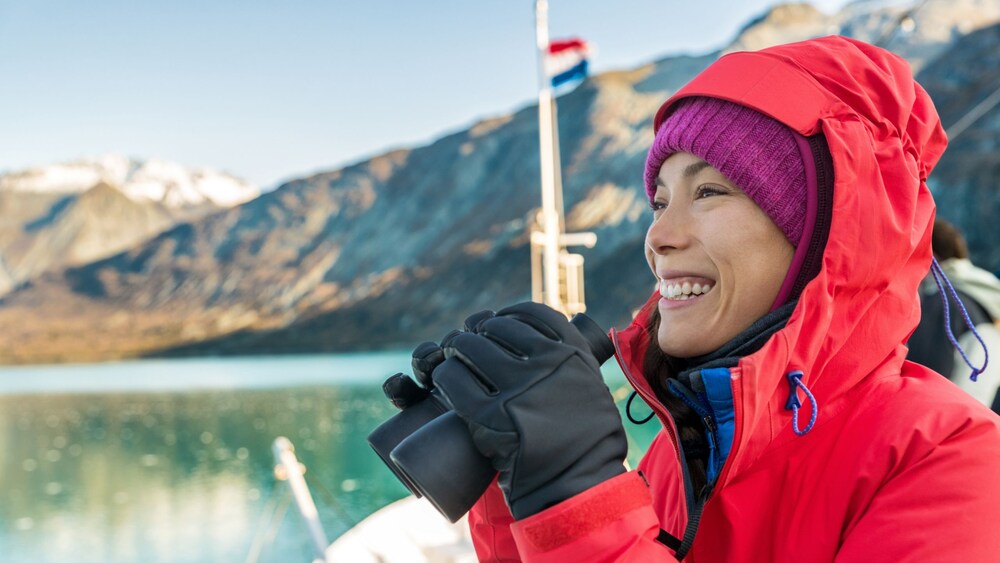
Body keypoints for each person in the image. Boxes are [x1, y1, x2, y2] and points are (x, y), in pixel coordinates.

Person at [383, 36, 1000, 561]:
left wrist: (583, 503)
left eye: (709, 192)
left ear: (826, 230)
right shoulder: (681, 452)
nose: (659, 235)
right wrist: (516, 480)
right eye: (659, 201)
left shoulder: (953, 459)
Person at [908, 219, 1000, 410]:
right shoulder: (982, 298)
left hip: (943, 422)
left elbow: (922, 378)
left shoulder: (941, 303)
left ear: (932, 257)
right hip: (979, 421)